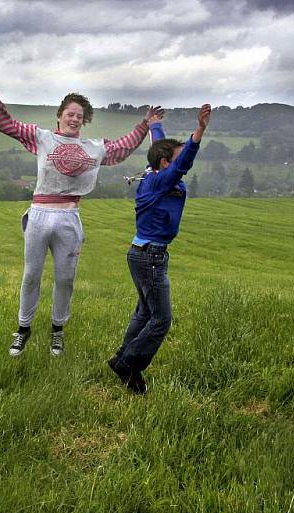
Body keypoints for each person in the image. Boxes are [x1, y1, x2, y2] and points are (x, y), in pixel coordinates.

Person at [0, 71, 162, 358]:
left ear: (83, 121)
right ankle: (23, 330)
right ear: (60, 116)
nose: (74, 119)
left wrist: (145, 125)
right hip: (39, 213)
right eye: (70, 114)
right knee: (31, 275)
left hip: (69, 216)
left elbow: (122, 148)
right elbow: (7, 125)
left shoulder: (94, 148)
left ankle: (57, 330)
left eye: (80, 116)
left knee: (65, 279)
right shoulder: (41, 138)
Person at [108, 104, 211, 395]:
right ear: (166, 164)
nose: (180, 168)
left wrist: (155, 125)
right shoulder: (163, 179)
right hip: (150, 256)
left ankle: (121, 357)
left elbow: (159, 149)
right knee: (161, 319)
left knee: (144, 312)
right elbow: (180, 163)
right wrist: (199, 132)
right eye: (174, 161)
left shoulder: (154, 172)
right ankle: (128, 364)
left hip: (141, 253)